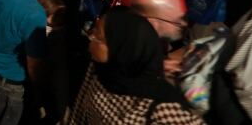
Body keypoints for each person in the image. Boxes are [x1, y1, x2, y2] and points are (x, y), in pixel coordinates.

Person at [69, 7, 202, 124]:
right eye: (93, 34)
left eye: (98, 39)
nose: (91, 42)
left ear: (123, 49)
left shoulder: (163, 109)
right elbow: (80, 112)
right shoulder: (99, 69)